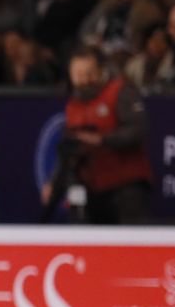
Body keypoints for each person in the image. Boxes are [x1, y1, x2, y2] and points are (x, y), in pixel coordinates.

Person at [46, 48, 152, 224]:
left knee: (130, 244)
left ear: (101, 71)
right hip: (94, 190)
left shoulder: (119, 91)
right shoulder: (73, 106)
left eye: (89, 73)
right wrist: (54, 183)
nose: (84, 80)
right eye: (78, 75)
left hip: (127, 188)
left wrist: (103, 139)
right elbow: (69, 152)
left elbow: (138, 130)